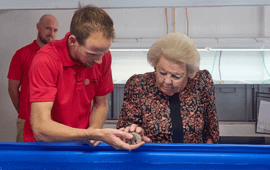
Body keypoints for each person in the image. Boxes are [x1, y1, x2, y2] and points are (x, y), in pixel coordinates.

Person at [26, 5, 145, 151]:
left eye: (104, 52)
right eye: (92, 54)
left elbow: (100, 104)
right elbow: (40, 129)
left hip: (81, 144)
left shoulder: (102, 56)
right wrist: (93, 134)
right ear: (73, 41)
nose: (99, 61)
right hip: (45, 147)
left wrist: (94, 130)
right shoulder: (46, 60)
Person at [117, 32, 219, 144]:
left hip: (192, 157)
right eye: (162, 73)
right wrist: (133, 134)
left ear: (188, 73)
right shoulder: (138, 85)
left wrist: (206, 159)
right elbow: (124, 133)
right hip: (151, 157)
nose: (167, 81)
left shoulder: (202, 82)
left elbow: (211, 132)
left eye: (176, 76)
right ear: (155, 65)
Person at [7, 14, 59, 142]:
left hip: (54, 122)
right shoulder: (21, 54)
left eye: (55, 30)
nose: (51, 33)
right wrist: (23, 111)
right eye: (48, 28)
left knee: (52, 160)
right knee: (24, 159)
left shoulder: (59, 56)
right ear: (38, 27)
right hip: (26, 121)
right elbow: (12, 89)